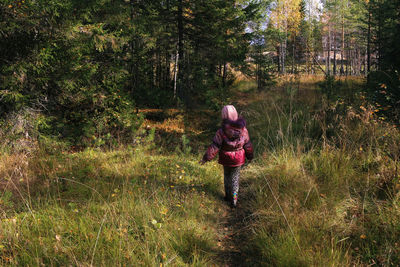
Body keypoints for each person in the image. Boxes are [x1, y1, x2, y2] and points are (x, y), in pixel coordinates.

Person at [200, 105, 254, 207]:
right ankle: (234, 200)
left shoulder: (221, 131)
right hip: (238, 158)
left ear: (223, 116)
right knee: (235, 179)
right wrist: (250, 156)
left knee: (227, 176)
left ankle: (227, 196)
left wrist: (205, 158)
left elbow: (215, 146)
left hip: (226, 158)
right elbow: (248, 145)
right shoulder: (243, 130)